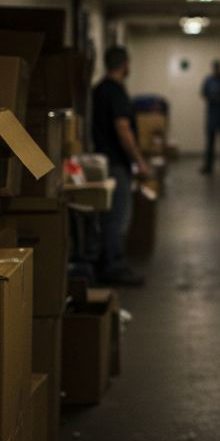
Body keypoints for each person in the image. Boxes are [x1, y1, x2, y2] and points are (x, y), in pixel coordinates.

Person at [90, 45, 152, 287]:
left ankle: (107, 263)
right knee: (117, 217)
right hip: (116, 163)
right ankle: (113, 266)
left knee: (108, 217)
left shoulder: (98, 90)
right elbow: (123, 129)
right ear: (125, 64)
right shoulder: (115, 92)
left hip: (102, 161)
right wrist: (139, 161)